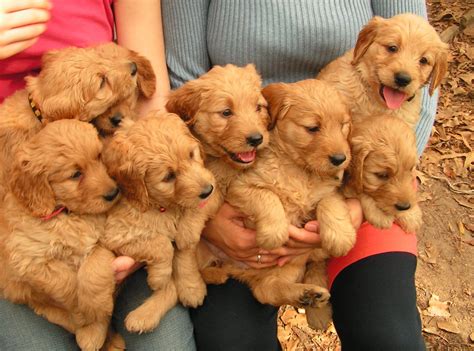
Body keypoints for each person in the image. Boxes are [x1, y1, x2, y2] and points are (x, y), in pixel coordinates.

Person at [160, 1, 434, 350]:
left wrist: (362, 203)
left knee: (388, 338)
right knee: (231, 341)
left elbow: (420, 90)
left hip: (371, 179)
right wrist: (209, 218)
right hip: (242, 167)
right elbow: (185, 87)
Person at [0, 1, 196, 350]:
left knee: (166, 344)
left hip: (113, 185)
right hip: (16, 218)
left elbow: (151, 101)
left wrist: (142, 224)